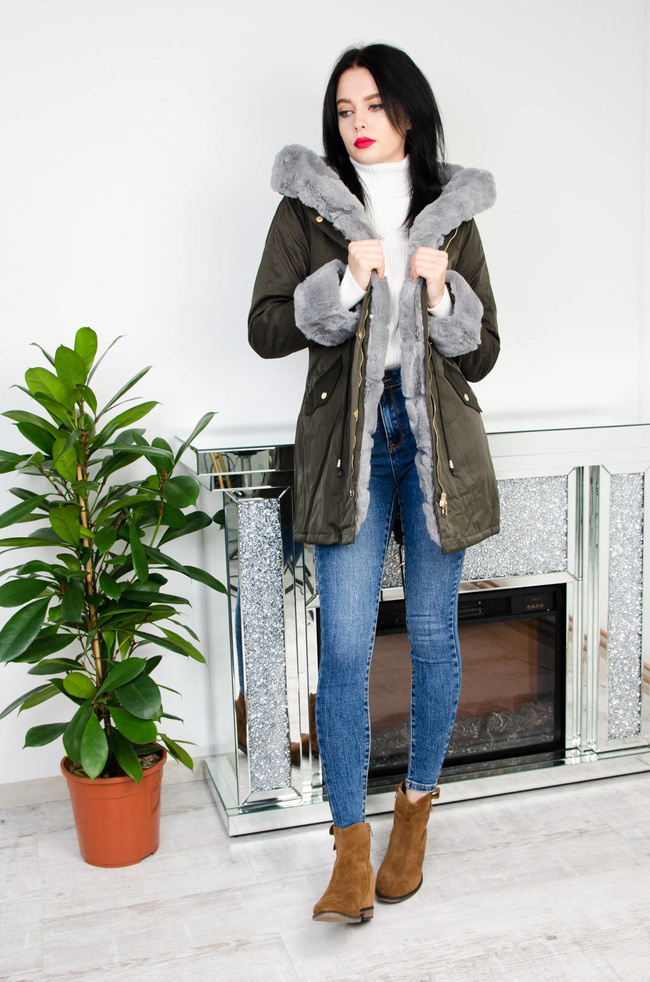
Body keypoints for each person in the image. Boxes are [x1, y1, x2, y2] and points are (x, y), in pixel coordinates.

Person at [248, 42, 499, 923]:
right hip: (347, 448)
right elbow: (265, 329)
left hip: (436, 446)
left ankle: (416, 814)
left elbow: (484, 351)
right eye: (345, 109)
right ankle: (350, 847)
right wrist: (345, 282)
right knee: (348, 649)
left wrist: (441, 297)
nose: (358, 123)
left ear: (409, 112)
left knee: (432, 636)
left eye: (374, 106)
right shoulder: (308, 209)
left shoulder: (451, 214)